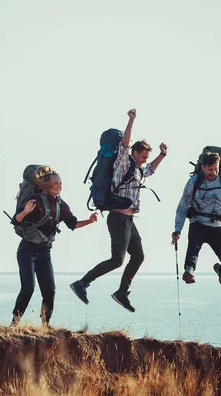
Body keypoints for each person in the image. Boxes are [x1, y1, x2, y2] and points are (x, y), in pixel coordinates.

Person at [70, 109, 167, 312]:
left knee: (138, 256)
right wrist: (131, 121)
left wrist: (162, 156)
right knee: (117, 260)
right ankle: (82, 283)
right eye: (143, 156)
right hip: (118, 218)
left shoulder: (139, 169)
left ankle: (122, 292)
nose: (144, 160)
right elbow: (125, 145)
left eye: (146, 157)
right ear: (134, 153)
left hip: (129, 220)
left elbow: (150, 170)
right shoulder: (123, 163)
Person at [11, 169, 97, 327]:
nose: (59, 186)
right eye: (56, 183)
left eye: (61, 183)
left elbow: (73, 224)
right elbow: (15, 220)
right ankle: (14, 324)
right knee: (28, 288)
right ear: (46, 185)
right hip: (27, 250)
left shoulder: (60, 205)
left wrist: (90, 221)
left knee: (50, 291)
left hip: (45, 252)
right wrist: (25, 211)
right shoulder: (35, 200)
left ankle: (45, 324)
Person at [171, 151, 221, 287]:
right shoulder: (193, 182)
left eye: (216, 169)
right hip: (198, 223)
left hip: (217, 227)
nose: (213, 173)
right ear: (202, 167)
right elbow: (183, 207)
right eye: (210, 169)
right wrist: (177, 230)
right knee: (193, 247)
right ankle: (188, 272)